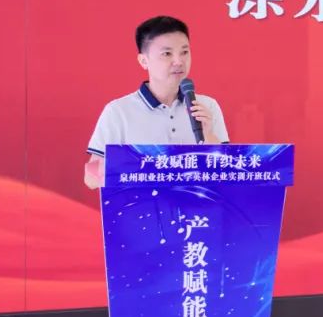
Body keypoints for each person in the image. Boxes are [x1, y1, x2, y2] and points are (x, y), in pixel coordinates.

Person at [84, 16, 229, 189]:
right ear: (144, 61)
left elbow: (229, 173)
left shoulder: (207, 106)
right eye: (167, 54)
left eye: (184, 52)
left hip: (197, 205)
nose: (179, 61)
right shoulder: (118, 111)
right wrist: (143, 165)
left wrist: (209, 137)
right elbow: (91, 178)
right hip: (144, 204)